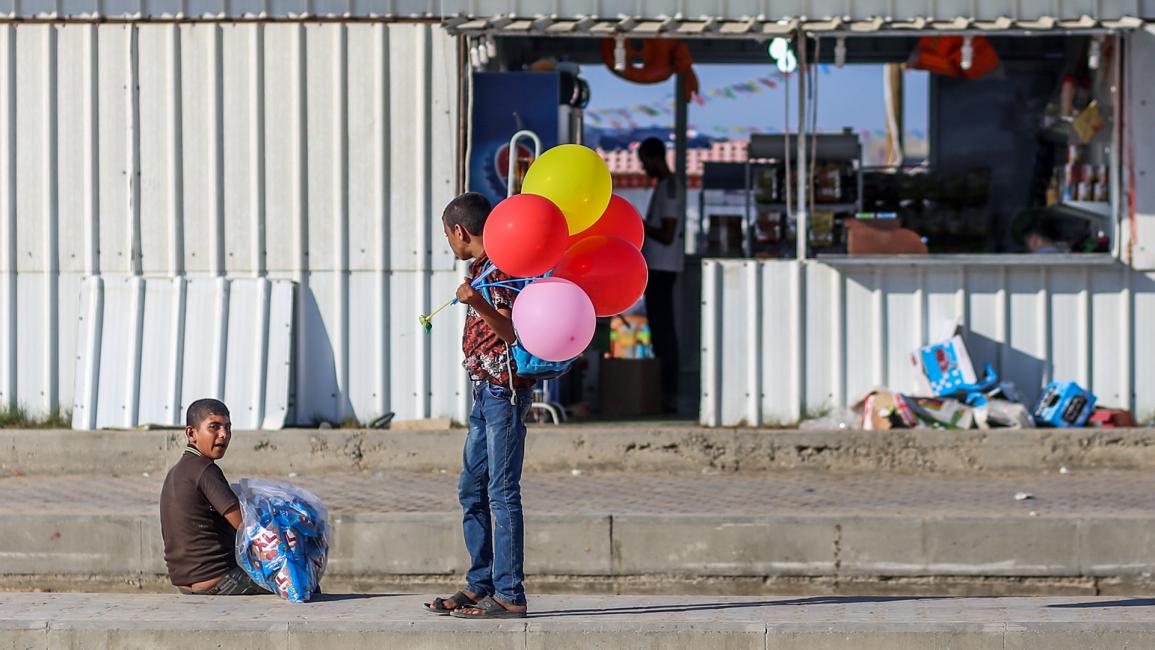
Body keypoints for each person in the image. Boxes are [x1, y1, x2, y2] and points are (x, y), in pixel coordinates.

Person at [424, 192, 531, 619]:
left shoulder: (503, 271)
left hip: (504, 393)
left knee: (502, 492)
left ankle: (509, 594)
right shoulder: (482, 268)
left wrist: (478, 302)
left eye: (447, 234)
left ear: (460, 231)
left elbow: (512, 332)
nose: (449, 242)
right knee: (472, 489)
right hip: (482, 394)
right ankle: (480, 583)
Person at [160, 399, 269, 596]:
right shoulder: (206, 470)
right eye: (214, 427)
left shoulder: (177, 471)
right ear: (191, 433)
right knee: (298, 581)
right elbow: (247, 526)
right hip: (220, 581)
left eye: (227, 427)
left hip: (185, 584)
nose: (223, 435)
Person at [637, 137, 683, 414]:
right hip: (660, 268)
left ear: (654, 158)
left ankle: (668, 393)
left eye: (644, 162)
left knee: (665, 334)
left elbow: (666, 234)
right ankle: (665, 392)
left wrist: (641, 227)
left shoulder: (668, 189)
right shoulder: (666, 187)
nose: (643, 169)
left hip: (663, 268)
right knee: (661, 332)